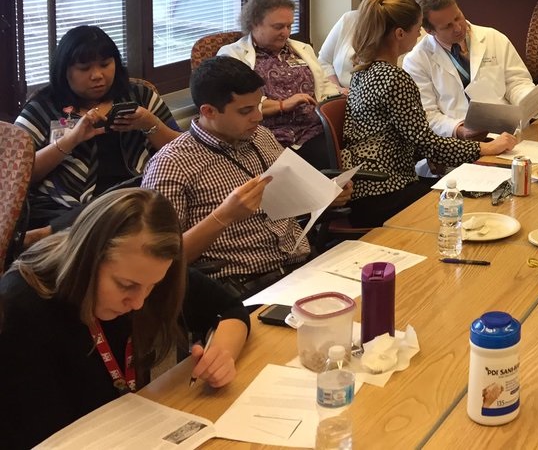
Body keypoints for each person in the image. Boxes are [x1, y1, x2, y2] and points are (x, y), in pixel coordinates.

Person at [0, 188, 249, 449]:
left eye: (152, 285)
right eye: (125, 285)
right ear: (87, 259)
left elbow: (229, 308)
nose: (139, 302)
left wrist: (222, 353)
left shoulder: (146, 270)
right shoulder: (20, 309)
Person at [142, 56, 349, 297]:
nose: (258, 117)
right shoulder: (171, 165)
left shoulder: (260, 136)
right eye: (245, 111)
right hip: (242, 287)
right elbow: (161, 260)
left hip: (303, 266)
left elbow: (292, 197)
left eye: (258, 106)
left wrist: (325, 194)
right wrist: (224, 216)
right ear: (208, 111)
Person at [343, 0, 516, 226]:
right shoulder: (395, 78)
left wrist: (429, 153)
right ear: (400, 34)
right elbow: (426, 140)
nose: (420, 35)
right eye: (417, 29)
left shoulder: (362, 72)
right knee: (473, 206)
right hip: (386, 191)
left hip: (367, 190)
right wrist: (485, 148)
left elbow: (401, 136)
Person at [16, 24, 180, 238]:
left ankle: (50, 234)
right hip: (61, 206)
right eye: (84, 69)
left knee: (133, 201)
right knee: (116, 209)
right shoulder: (44, 106)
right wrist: (68, 142)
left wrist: (150, 124)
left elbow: (183, 150)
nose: (97, 75)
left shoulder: (139, 96)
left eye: (105, 64)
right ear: (65, 70)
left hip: (135, 197)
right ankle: (58, 231)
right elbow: (17, 174)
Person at [403, 0, 538, 139]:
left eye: (458, 17)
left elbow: (516, 82)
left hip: (505, 134)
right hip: (456, 143)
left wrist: (534, 99)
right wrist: (459, 130)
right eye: (447, 26)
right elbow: (427, 114)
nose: (458, 28)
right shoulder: (417, 60)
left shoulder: (493, 37)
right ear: (430, 31)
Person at [218, 0, 341, 168]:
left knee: (329, 169)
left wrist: (340, 96)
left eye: (289, 26)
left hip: (311, 130)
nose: (285, 33)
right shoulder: (232, 55)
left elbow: (323, 86)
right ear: (254, 24)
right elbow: (236, 104)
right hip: (267, 135)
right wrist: (282, 105)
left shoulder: (302, 49)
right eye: (278, 27)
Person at [318, 0, 401, 90]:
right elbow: (324, 61)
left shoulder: (402, 29)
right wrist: (337, 89)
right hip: (338, 96)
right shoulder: (349, 19)